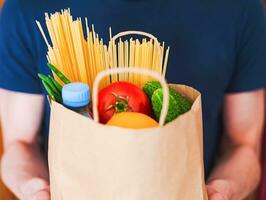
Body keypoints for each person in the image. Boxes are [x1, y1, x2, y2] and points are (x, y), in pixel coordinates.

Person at [0, 0, 265, 199]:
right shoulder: (28, 6)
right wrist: (35, 189)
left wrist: (222, 190)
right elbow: (19, 144)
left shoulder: (240, 8)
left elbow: (244, 146)